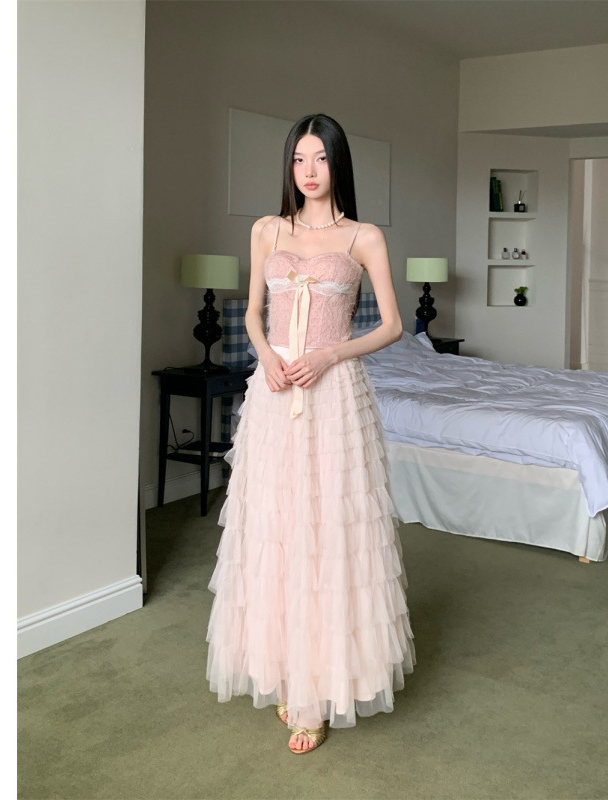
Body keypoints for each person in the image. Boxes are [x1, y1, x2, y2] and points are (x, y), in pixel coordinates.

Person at [206, 113, 415, 754]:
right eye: (299, 159)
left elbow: (393, 327)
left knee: (328, 529)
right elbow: (253, 311)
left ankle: (318, 691)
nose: (308, 170)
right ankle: (284, 666)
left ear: (337, 163)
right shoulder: (266, 230)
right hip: (274, 395)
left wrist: (329, 355)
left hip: (334, 395)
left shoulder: (364, 238)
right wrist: (266, 355)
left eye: (320, 158)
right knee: (277, 524)